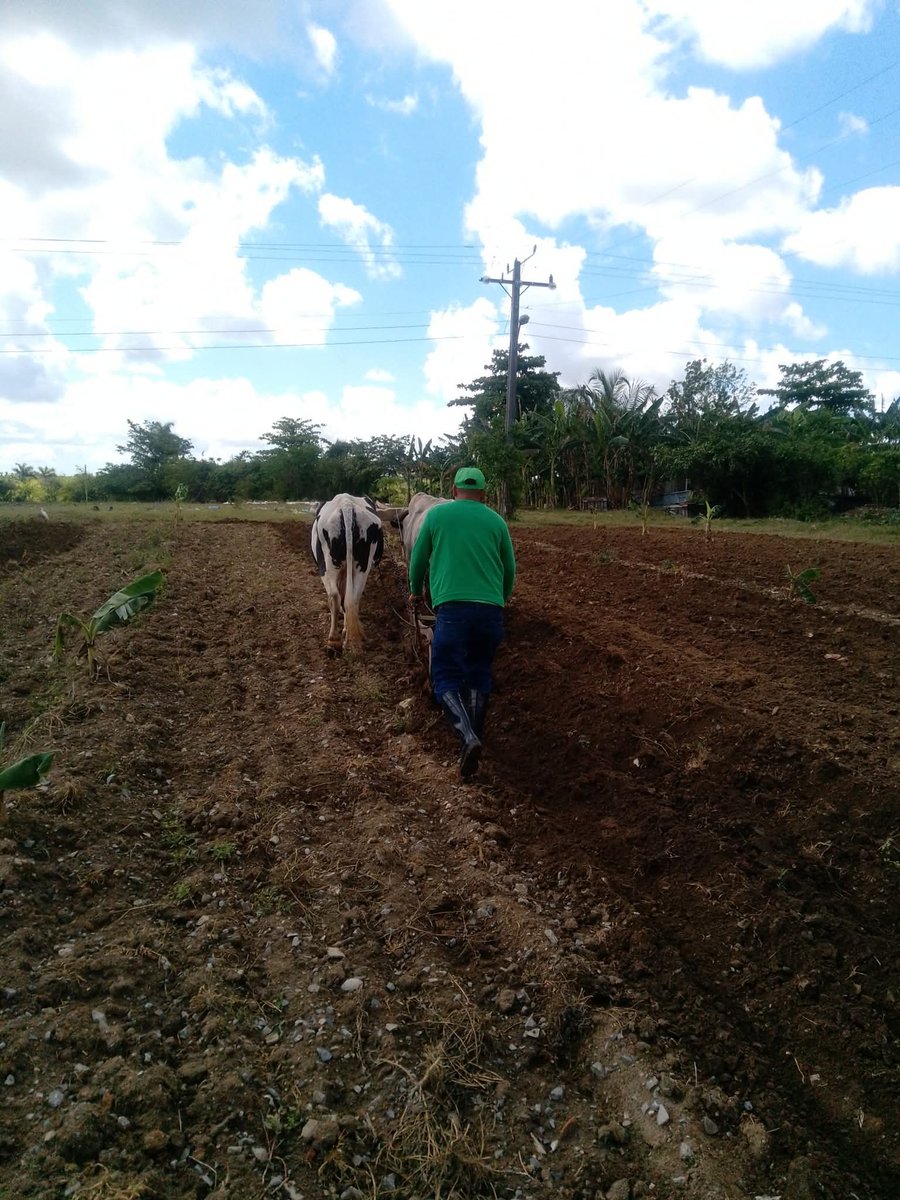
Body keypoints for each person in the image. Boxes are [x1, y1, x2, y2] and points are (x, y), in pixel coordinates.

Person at [408, 466, 516, 778]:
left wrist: (415, 591)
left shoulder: (437, 516)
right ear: (483, 494)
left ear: (454, 491)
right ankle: (474, 741)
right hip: (490, 611)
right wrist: (499, 599)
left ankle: (467, 737)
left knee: (444, 675)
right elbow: (509, 569)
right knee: (479, 673)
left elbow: (418, 560)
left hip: (452, 609)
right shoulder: (497, 521)